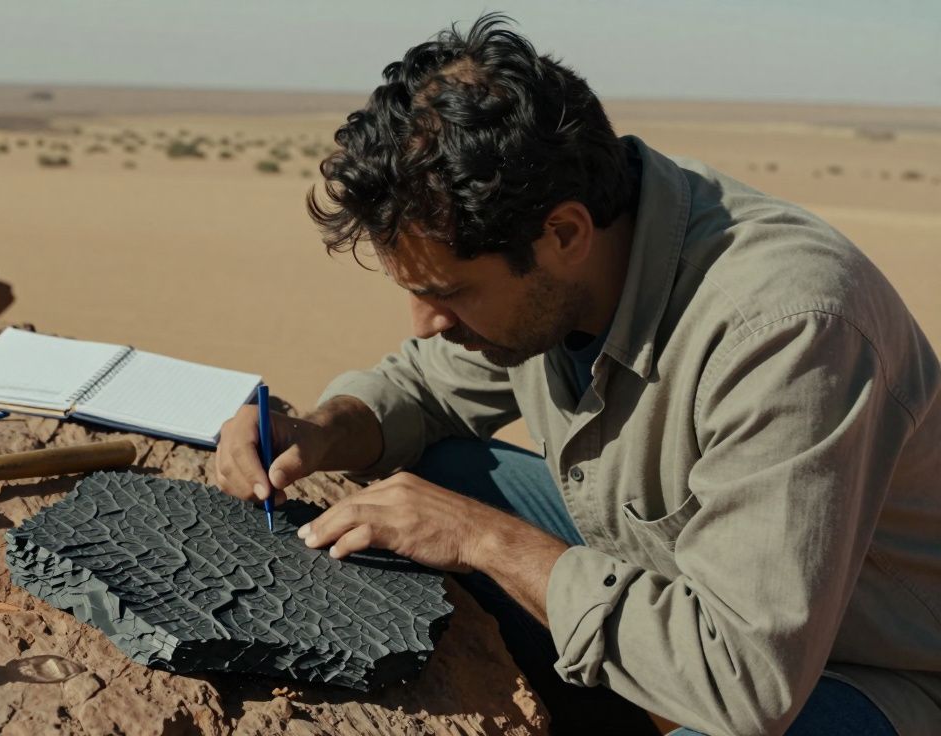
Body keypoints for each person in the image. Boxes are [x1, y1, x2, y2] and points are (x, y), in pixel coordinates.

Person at [213, 14, 940, 736]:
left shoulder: (786, 330)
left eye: (449, 294)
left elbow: (744, 683)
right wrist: (324, 428)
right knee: (437, 471)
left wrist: (486, 540)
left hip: (869, 669)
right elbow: (427, 384)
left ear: (563, 234)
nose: (424, 323)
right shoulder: (572, 262)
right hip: (667, 587)